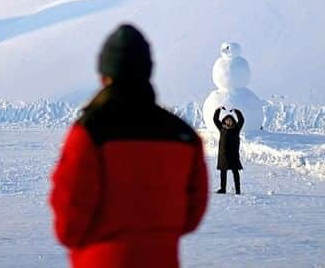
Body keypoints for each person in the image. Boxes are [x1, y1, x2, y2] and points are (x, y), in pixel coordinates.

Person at [50, 24, 209, 268]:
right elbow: (192, 213)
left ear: (104, 76)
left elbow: (70, 215)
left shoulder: (90, 131)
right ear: (147, 73)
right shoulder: (183, 135)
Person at [212, 107, 244, 194]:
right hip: (223, 154)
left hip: (233, 154)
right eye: (227, 120)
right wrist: (218, 110)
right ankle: (223, 189)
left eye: (230, 120)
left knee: (235, 172)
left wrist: (236, 111)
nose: (228, 121)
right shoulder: (222, 129)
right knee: (223, 172)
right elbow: (215, 119)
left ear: (233, 121)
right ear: (224, 121)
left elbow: (241, 120)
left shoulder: (236, 129)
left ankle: (238, 190)